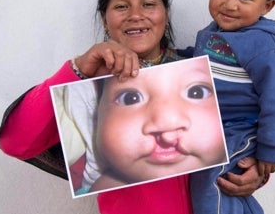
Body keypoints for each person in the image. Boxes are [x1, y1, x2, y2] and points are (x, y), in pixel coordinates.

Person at [0, 0, 267, 214]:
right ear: (104, 19)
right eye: (121, 7)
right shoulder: (90, 89)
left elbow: (244, 133)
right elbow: (15, 142)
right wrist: (77, 69)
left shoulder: (202, 76)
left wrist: (254, 170)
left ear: (165, 15)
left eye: (148, 4)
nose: (136, 16)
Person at [188, 0, 275, 214]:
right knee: (226, 187)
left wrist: (270, 149)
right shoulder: (212, 33)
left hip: (242, 131)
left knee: (209, 180)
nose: (230, 4)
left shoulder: (267, 45)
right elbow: (202, 64)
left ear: (267, 5)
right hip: (215, 128)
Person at [88, 56, 227, 193]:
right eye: (130, 98)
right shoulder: (107, 188)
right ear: (98, 108)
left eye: (196, 93)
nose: (166, 122)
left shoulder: (235, 170)